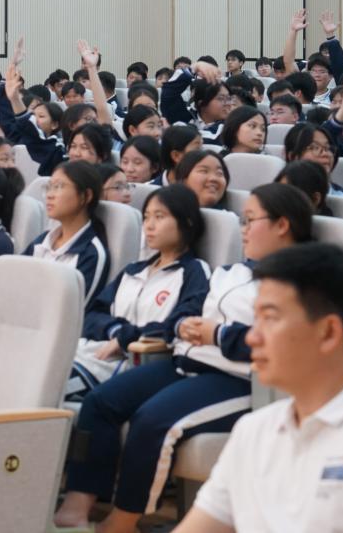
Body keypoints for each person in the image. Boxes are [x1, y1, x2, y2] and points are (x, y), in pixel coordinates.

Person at [54, 184, 315, 533]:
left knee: (152, 420)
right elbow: (186, 313)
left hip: (240, 378)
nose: (242, 229)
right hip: (185, 363)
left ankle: (122, 521)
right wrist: (183, 325)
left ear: (282, 225)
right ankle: (78, 503)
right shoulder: (230, 273)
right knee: (101, 401)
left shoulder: (301, 282)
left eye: (250, 220)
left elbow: (283, 343)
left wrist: (217, 335)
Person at [172, 243, 343, 533]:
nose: (252, 337)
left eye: (269, 319)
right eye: (255, 320)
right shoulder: (253, 430)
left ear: (329, 332)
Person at [69, 185, 209, 399]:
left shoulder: (194, 272)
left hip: (134, 362)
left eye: (159, 217)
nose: (149, 226)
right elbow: (92, 315)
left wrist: (126, 338)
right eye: (146, 217)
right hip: (95, 351)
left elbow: (181, 324)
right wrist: (116, 331)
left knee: (46, 383)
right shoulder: (133, 270)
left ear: (187, 221)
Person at [26, 162, 110, 311]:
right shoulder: (43, 240)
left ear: (86, 196)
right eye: (49, 187)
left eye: (58, 187)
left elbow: (73, 312)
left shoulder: (92, 253)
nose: (49, 195)